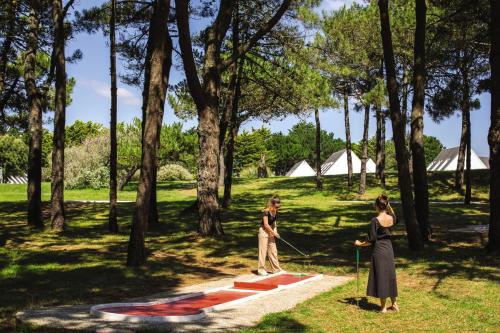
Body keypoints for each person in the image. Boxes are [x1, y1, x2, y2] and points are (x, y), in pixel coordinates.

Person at [354, 194, 399, 313]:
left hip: (379, 250)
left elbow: (371, 240)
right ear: (386, 205)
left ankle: (383, 307)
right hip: (389, 249)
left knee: (381, 276)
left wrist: (360, 244)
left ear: (376, 206)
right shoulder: (392, 218)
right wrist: (389, 207)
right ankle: (394, 304)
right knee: (390, 275)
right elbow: (394, 216)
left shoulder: (375, 220)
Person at [257, 195, 283, 276]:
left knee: (273, 250)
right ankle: (261, 270)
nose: (277, 208)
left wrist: (276, 231)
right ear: (272, 204)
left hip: (270, 231)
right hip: (263, 232)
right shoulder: (266, 212)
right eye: (276, 207)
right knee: (263, 251)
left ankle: (276, 269)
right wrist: (273, 233)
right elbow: (266, 225)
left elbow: (274, 223)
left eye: (278, 207)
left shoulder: (275, 211)